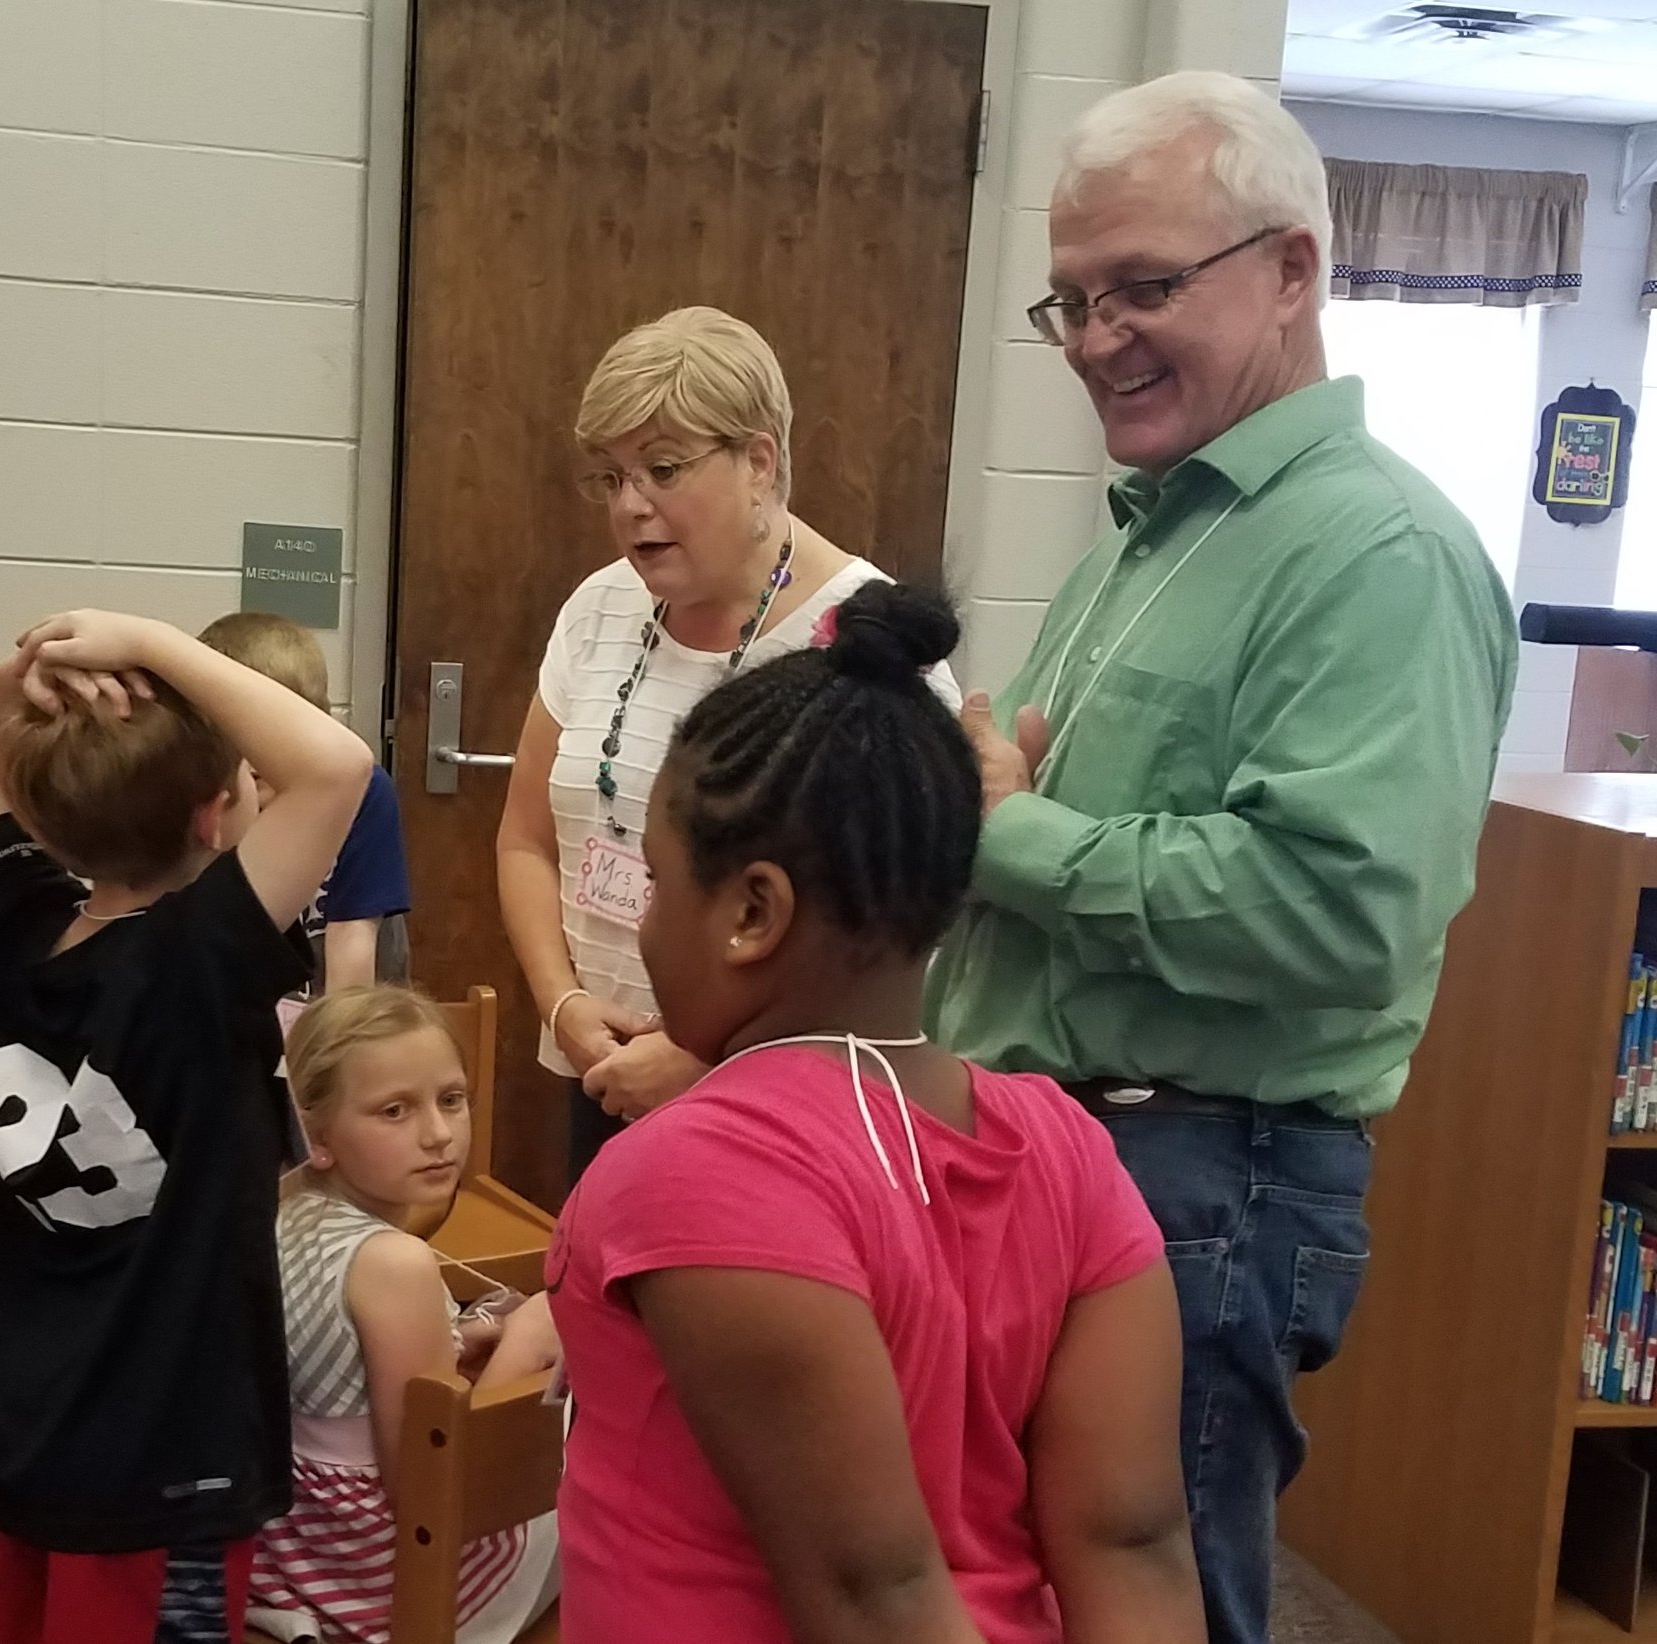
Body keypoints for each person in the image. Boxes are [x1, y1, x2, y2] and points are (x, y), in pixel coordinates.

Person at [923, 72, 1518, 1644]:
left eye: (1145, 287)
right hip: (1077, 1155)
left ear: (1295, 271)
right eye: (1071, 302)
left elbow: (1339, 915)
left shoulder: (1376, 554)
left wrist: (1013, 835)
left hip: (1200, 1181)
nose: (1100, 337)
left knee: (1157, 1605)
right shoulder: (1150, 533)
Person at [549, 581, 1204, 1644]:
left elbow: (876, 1599)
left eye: (661, 884)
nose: (646, 917)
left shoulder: (694, 1168)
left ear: (751, 913)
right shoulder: (1066, 1148)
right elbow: (1131, 1546)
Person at [0, 608, 373, 1644]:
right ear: (215, 816)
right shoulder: (201, 955)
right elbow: (338, 763)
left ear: (42, 819)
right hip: (167, 1449)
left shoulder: (11, 921)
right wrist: (149, 644)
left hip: (25, 1425)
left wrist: (36, 661)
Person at [495, 304, 958, 1186]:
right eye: (610, 477)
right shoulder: (600, 607)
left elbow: (905, 941)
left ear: (758, 462)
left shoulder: (864, 641)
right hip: (601, 1075)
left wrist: (701, 1058)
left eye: (663, 469)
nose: (631, 508)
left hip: (774, 1115)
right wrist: (563, 1007)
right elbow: (525, 839)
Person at [247, 986, 561, 1644]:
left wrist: (462, 1337)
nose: (440, 1134)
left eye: (452, 1099)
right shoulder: (394, 1264)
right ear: (317, 1133)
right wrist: (527, 1339)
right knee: (597, 1502)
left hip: (291, 1561)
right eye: (395, 1111)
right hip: (385, 1582)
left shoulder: (281, 1212)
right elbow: (434, 1486)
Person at [202, 612, 413, 993]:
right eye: (236, 735)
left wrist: (332, 1051)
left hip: (347, 1012)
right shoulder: (209, 792)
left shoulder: (362, 791)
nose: (253, 759)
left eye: (272, 734)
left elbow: (353, 955)